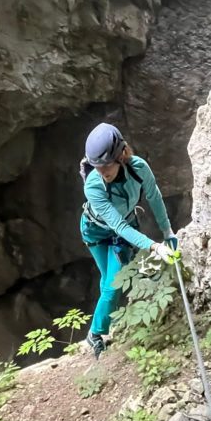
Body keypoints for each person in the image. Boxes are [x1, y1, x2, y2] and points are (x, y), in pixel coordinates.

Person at [80, 122, 177, 357]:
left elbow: (154, 197)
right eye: (97, 167)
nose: (102, 171)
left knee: (113, 284)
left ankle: (95, 333)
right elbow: (118, 225)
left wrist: (168, 232)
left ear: (121, 154)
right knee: (109, 282)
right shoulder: (94, 185)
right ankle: (98, 330)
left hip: (122, 230)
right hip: (96, 232)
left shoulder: (139, 168)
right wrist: (154, 246)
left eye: (106, 166)